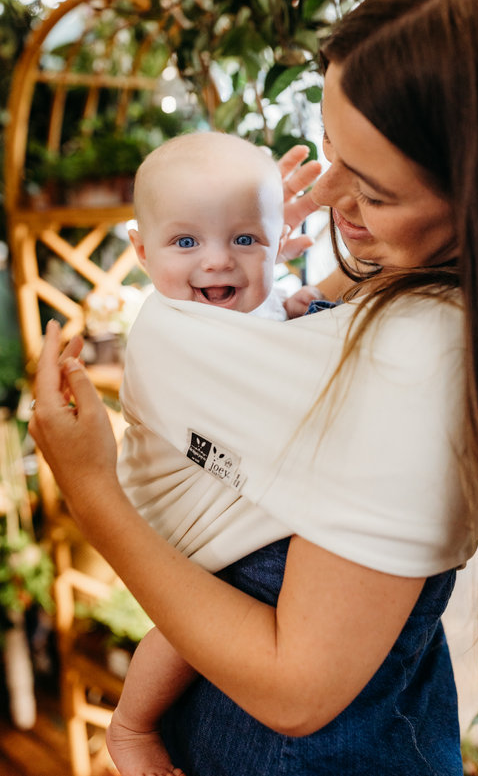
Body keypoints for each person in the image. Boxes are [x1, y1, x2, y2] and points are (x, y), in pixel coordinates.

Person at [29, 0, 478, 776]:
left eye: (375, 188)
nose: (325, 198)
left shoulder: (423, 354)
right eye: (332, 151)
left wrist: (91, 489)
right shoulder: (429, 300)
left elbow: (294, 688)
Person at [112, 131, 323, 776]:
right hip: (186, 516)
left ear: (277, 243)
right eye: (185, 242)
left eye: (244, 239)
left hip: (234, 501)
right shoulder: (169, 329)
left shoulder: (247, 306)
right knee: (191, 621)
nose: (217, 264)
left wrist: (291, 314)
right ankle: (131, 727)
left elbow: (260, 347)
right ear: (142, 251)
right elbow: (273, 387)